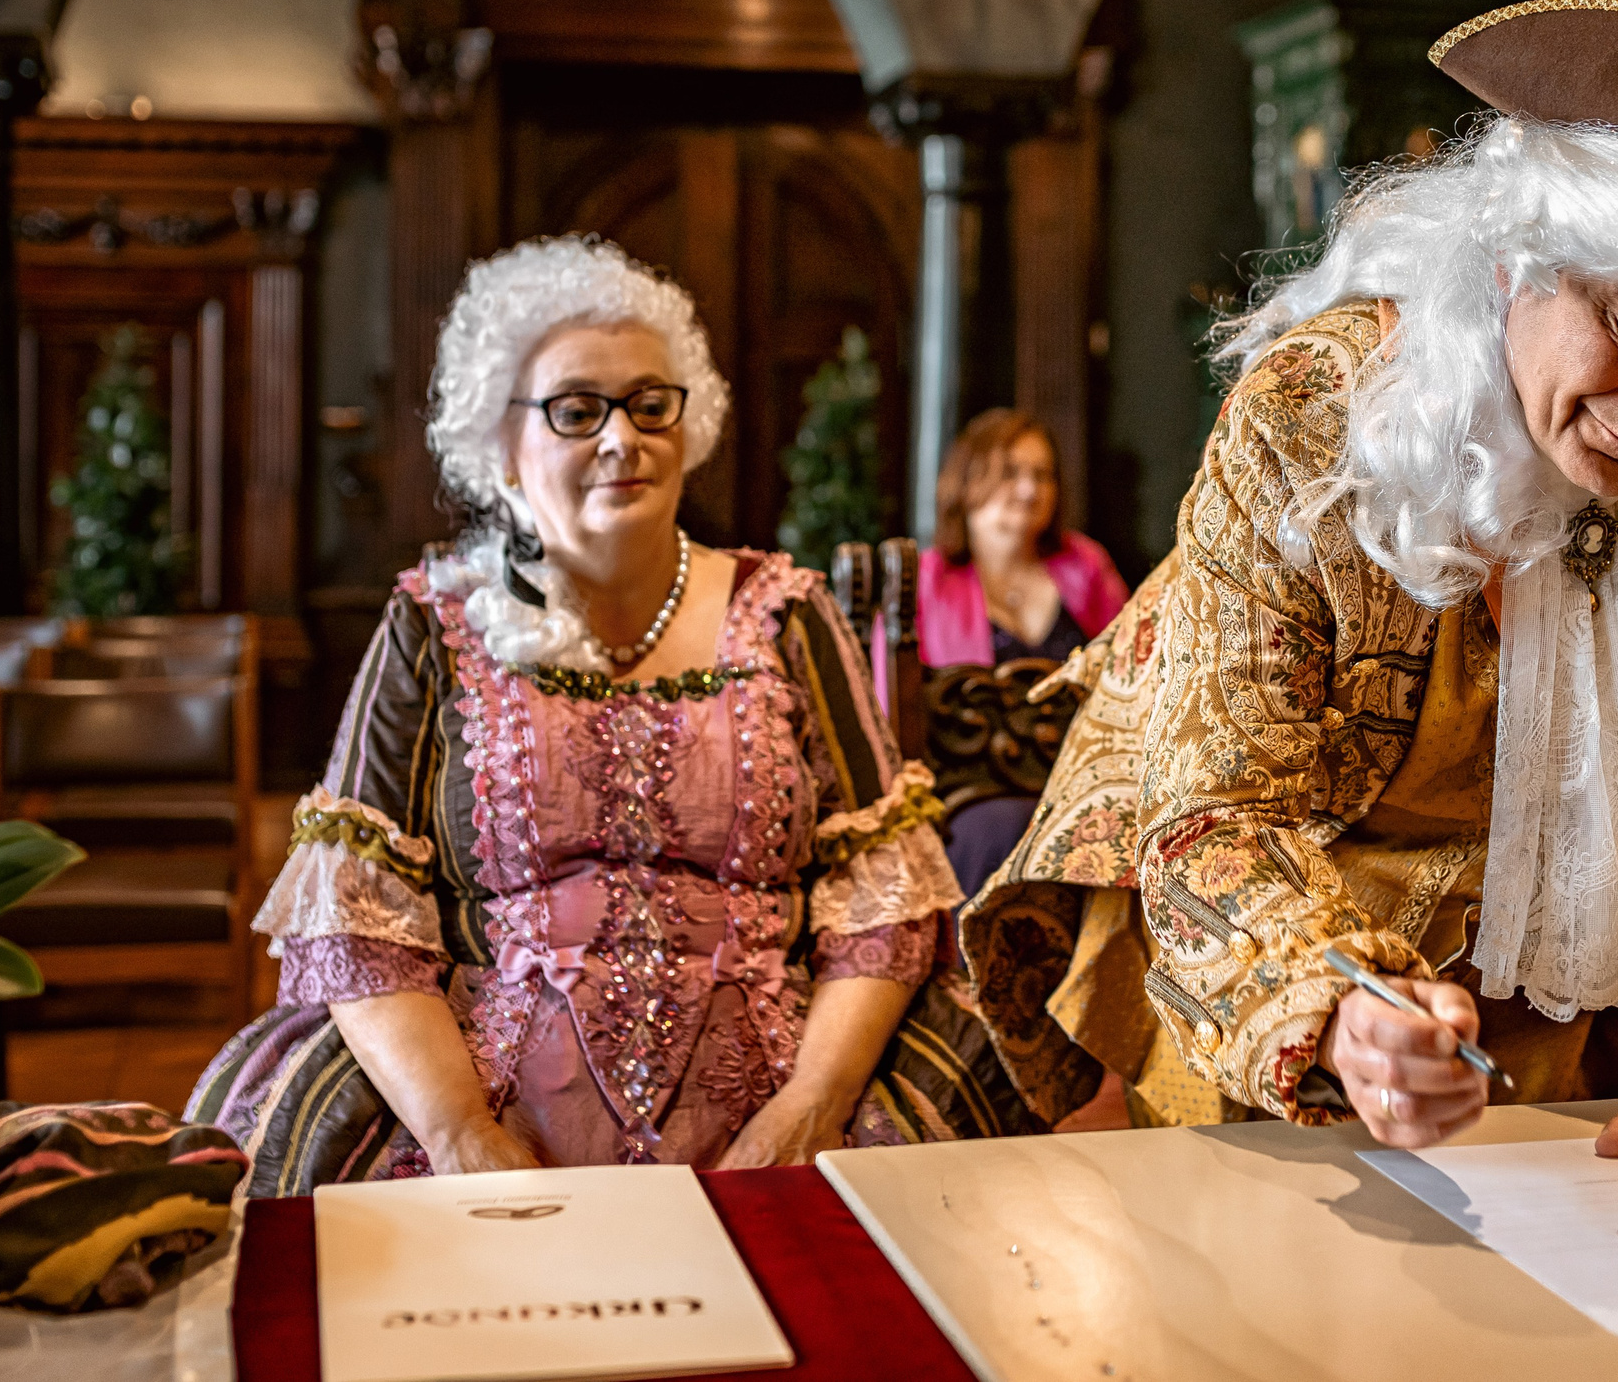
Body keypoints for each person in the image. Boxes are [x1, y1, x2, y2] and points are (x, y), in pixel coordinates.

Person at [964, 0, 1618, 1220]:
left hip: (1603, 976)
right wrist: (1339, 1014)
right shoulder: (1317, 414)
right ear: (1509, 265)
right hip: (1307, 957)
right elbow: (1219, 801)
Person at [192, 237, 1028, 1194]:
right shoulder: (434, 620)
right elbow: (357, 916)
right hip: (472, 1111)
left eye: (649, 404)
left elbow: (881, 903)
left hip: (791, 1108)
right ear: (501, 439)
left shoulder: (787, 612)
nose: (622, 439)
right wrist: (460, 1128)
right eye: (577, 410)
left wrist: (812, 1103)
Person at [916, 410, 1128, 894]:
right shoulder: (927, 582)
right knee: (1004, 828)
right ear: (968, 479)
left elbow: (1136, 664)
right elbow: (891, 707)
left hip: (1082, 777)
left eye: (1042, 474)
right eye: (1011, 472)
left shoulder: (1086, 566)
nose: (1030, 490)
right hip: (964, 790)